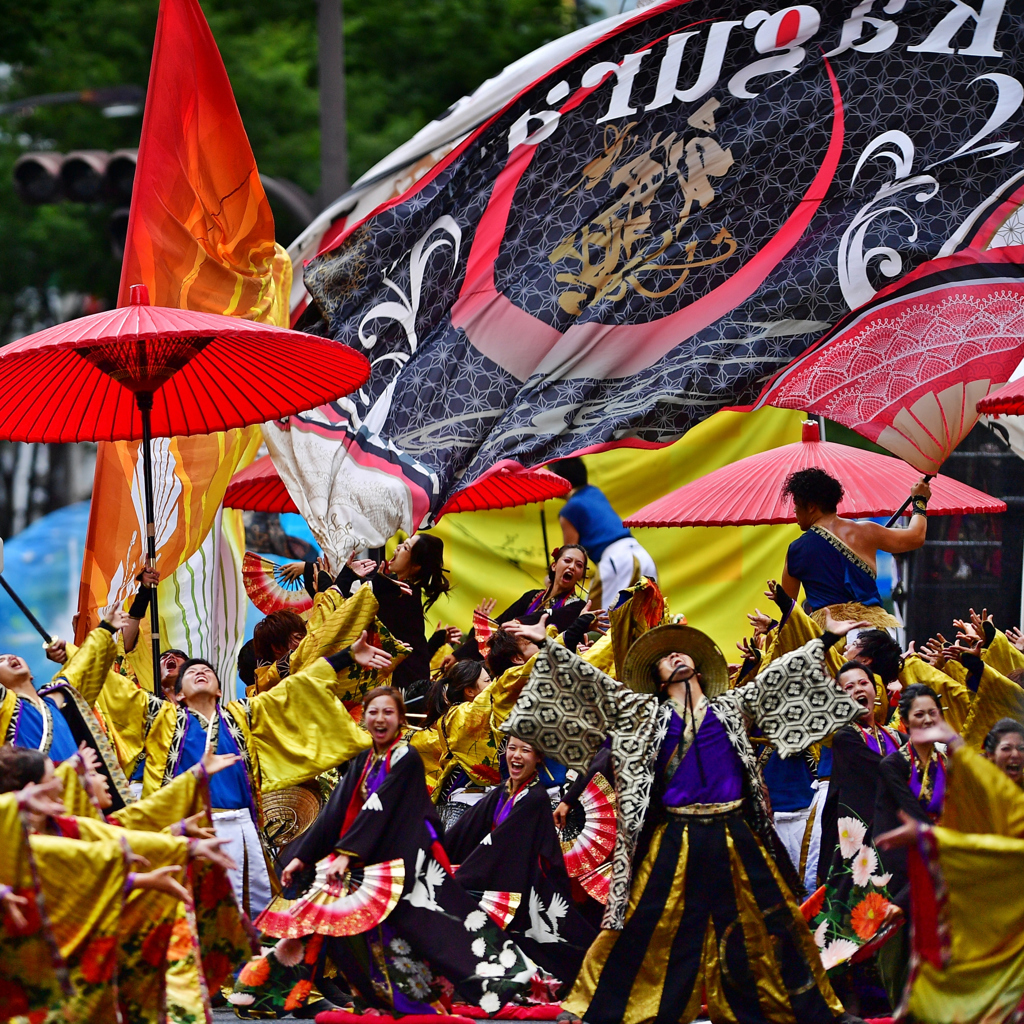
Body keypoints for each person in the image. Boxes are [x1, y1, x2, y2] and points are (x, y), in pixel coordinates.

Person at [504, 615, 866, 1024]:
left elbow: (783, 674)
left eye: (681, 652)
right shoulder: (643, 713)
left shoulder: (732, 707)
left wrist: (826, 637)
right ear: (657, 679)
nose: (674, 656)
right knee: (640, 923)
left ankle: (816, 1011)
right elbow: (592, 683)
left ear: (697, 666)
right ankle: (596, 1007)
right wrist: (548, 644)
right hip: (674, 835)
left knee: (776, 920)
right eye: (664, 658)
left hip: (737, 833)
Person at [244, 687, 552, 1018]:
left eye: (388, 712)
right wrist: (302, 856)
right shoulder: (365, 760)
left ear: (401, 720)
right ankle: (277, 994)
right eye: (373, 712)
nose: (380, 719)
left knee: (443, 936)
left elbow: (380, 807)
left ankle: (514, 986)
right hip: (372, 859)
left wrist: (348, 853)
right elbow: (336, 812)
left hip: (408, 860)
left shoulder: (404, 759)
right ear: (363, 718)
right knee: (337, 923)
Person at [95, 634, 393, 916]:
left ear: (219, 690)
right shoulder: (162, 718)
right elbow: (115, 688)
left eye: (206, 671)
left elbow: (298, 688)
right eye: (192, 672)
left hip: (242, 826)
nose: (200, 671)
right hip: (190, 829)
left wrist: (348, 656)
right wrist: (78, 650)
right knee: (195, 914)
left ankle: (257, 968)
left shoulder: (241, 715)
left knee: (256, 914)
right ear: (180, 693)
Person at [444, 734, 597, 994]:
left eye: (525, 750)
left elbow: (500, 844)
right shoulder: (504, 790)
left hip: (524, 880)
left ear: (538, 757)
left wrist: (462, 877)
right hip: (499, 870)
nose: (516, 755)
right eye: (512, 748)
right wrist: (433, 853)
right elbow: (464, 830)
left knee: (460, 895)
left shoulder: (535, 798)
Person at [781, 467, 930, 630]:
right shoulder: (866, 532)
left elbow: (789, 610)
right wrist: (919, 500)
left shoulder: (796, 550)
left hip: (830, 639)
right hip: (871, 636)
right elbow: (916, 536)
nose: (794, 510)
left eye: (796, 504)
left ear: (811, 506)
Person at [337, 533, 454, 690]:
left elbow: (343, 608)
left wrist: (311, 570)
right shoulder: (397, 588)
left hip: (403, 689)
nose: (398, 547)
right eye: (402, 543)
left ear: (416, 565)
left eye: (406, 547)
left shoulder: (402, 594)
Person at [549, 457, 657, 610]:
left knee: (592, 621)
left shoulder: (569, 511)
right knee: (642, 622)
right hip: (642, 557)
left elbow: (570, 557)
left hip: (617, 562)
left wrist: (553, 580)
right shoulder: (594, 492)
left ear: (559, 479)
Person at [495, 544, 589, 632]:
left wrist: (517, 622)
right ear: (554, 566)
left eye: (579, 565)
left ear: (581, 575)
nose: (572, 567)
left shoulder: (578, 607)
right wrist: (485, 621)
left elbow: (553, 616)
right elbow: (499, 623)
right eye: (567, 561)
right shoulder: (531, 596)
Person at [983, 718, 1024, 786]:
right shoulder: (976, 791)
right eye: (1006, 748)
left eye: (1022, 748)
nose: (1016, 754)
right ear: (990, 754)